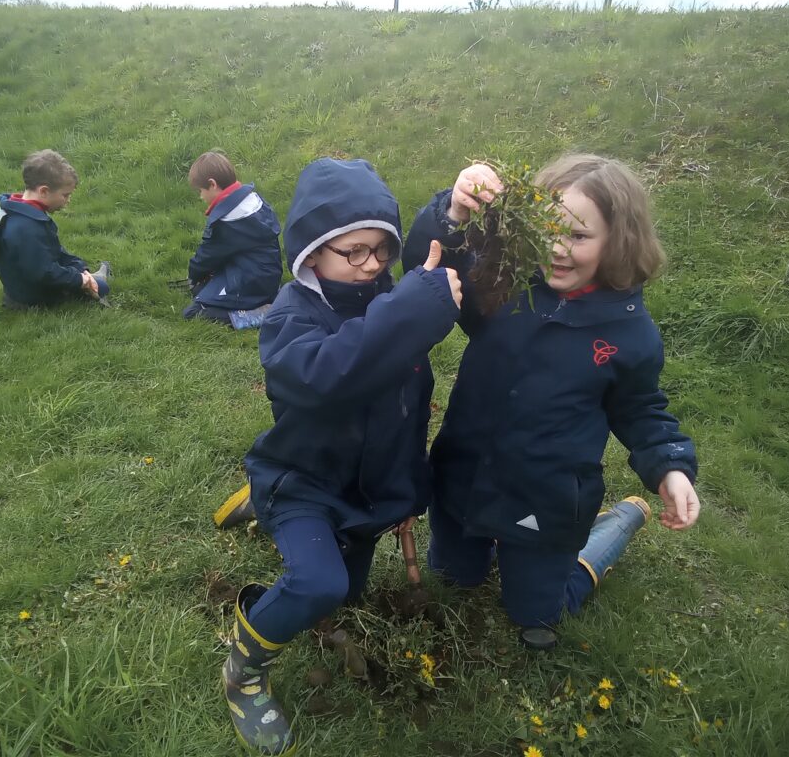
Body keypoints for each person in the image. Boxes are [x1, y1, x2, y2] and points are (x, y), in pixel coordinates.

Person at [402, 154, 700, 649]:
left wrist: (671, 467)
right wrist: (453, 212)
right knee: (454, 578)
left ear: (619, 240)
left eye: (579, 236)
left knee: (538, 612)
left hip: (543, 496)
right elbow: (429, 271)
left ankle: (619, 523)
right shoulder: (503, 286)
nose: (557, 249)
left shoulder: (630, 333)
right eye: (546, 230)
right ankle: (480, 545)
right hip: (467, 476)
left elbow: (640, 408)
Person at [222, 157, 462, 755]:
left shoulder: (387, 301)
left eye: (381, 249)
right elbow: (328, 375)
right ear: (310, 254)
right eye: (353, 252)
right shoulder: (289, 318)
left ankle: (259, 505)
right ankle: (244, 672)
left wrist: (455, 213)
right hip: (304, 479)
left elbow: (408, 412)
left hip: (365, 488)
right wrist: (410, 311)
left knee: (350, 592)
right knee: (319, 585)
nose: (372, 265)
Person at [0, 149, 111, 309]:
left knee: (80, 273)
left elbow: (52, 251)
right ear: (44, 191)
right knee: (101, 286)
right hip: (32, 296)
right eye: (65, 195)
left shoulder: (12, 209)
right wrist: (81, 280)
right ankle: (95, 281)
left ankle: (89, 275)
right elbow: (44, 273)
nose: (68, 201)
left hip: (18, 285)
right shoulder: (27, 228)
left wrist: (79, 268)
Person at [183, 152, 282, 327]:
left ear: (212, 185)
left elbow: (206, 257)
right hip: (268, 276)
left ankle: (257, 315)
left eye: (201, 191)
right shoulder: (253, 200)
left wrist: (193, 276)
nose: (201, 197)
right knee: (203, 288)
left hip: (251, 282)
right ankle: (267, 300)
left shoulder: (227, 220)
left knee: (193, 312)